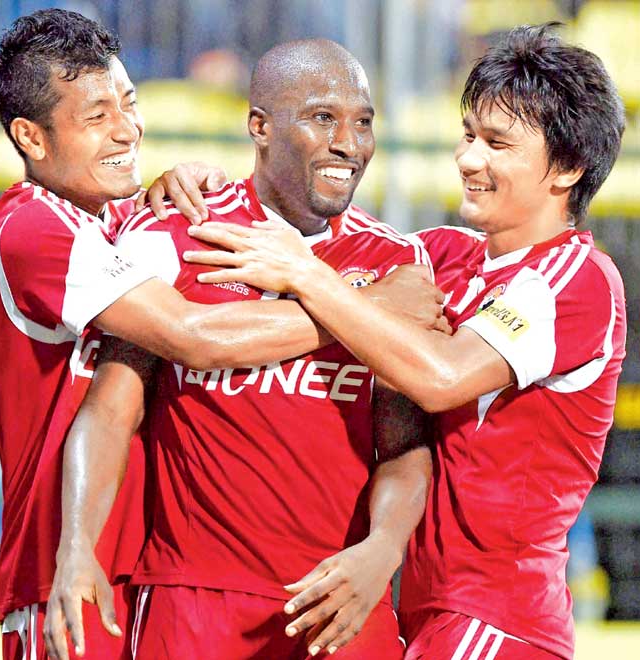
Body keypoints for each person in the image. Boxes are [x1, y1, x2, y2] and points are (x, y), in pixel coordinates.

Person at [186, 23, 627, 660]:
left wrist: (308, 276)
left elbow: (441, 377)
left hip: (499, 623)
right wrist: (209, 185)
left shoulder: (576, 279)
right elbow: (325, 231)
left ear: (569, 168)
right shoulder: (442, 255)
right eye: (469, 135)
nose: (469, 159)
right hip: (426, 613)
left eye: (498, 144)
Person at [0, 11, 375, 660]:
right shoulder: (29, 231)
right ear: (31, 137)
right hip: (63, 583)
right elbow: (194, 338)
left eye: (129, 104)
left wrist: (165, 186)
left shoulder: (119, 219)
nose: (127, 129)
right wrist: (355, 306)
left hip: (134, 580)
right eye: (95, 117)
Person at [45, 39, 444, 660]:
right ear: (259, 126)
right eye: (322, 118)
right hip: (194, 601)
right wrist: (77, 543)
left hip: (338, 604)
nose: (349, 142)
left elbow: (404, 443)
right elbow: (111, 407)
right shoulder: (179, 229)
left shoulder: (395, 261)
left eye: (363, 121)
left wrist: (384, 549)